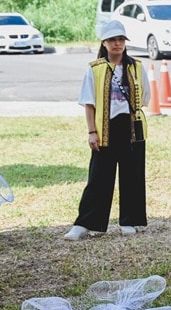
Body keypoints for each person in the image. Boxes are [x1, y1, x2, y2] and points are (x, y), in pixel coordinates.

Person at [64, 19, 150, 241]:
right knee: (99, 176)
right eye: (113, 39)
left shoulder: (136, 67)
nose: (117, 43)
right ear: (104, 42)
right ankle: (86, 223)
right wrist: (92, 131)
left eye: (121, 39)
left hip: (131, 127)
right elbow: (89, 103)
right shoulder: (95, 69)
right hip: (105, 128)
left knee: (133, 174)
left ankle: (130, 220)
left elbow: (146, 97)